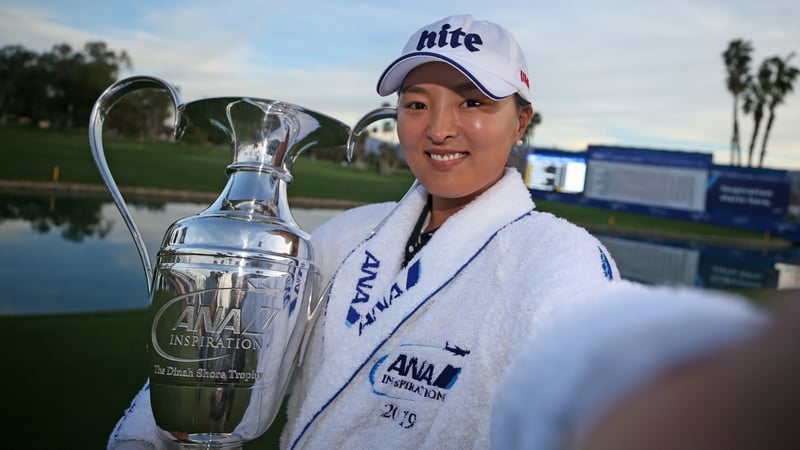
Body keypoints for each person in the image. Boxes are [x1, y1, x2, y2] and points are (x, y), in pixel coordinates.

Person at [108, 14, 620, 449]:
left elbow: (599, 382)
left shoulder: (557, 255)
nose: (439, 129)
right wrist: (150, 434)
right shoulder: (348, 233)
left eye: (473, 102)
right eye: (417, 104)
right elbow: (219, 345)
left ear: (521, 120)